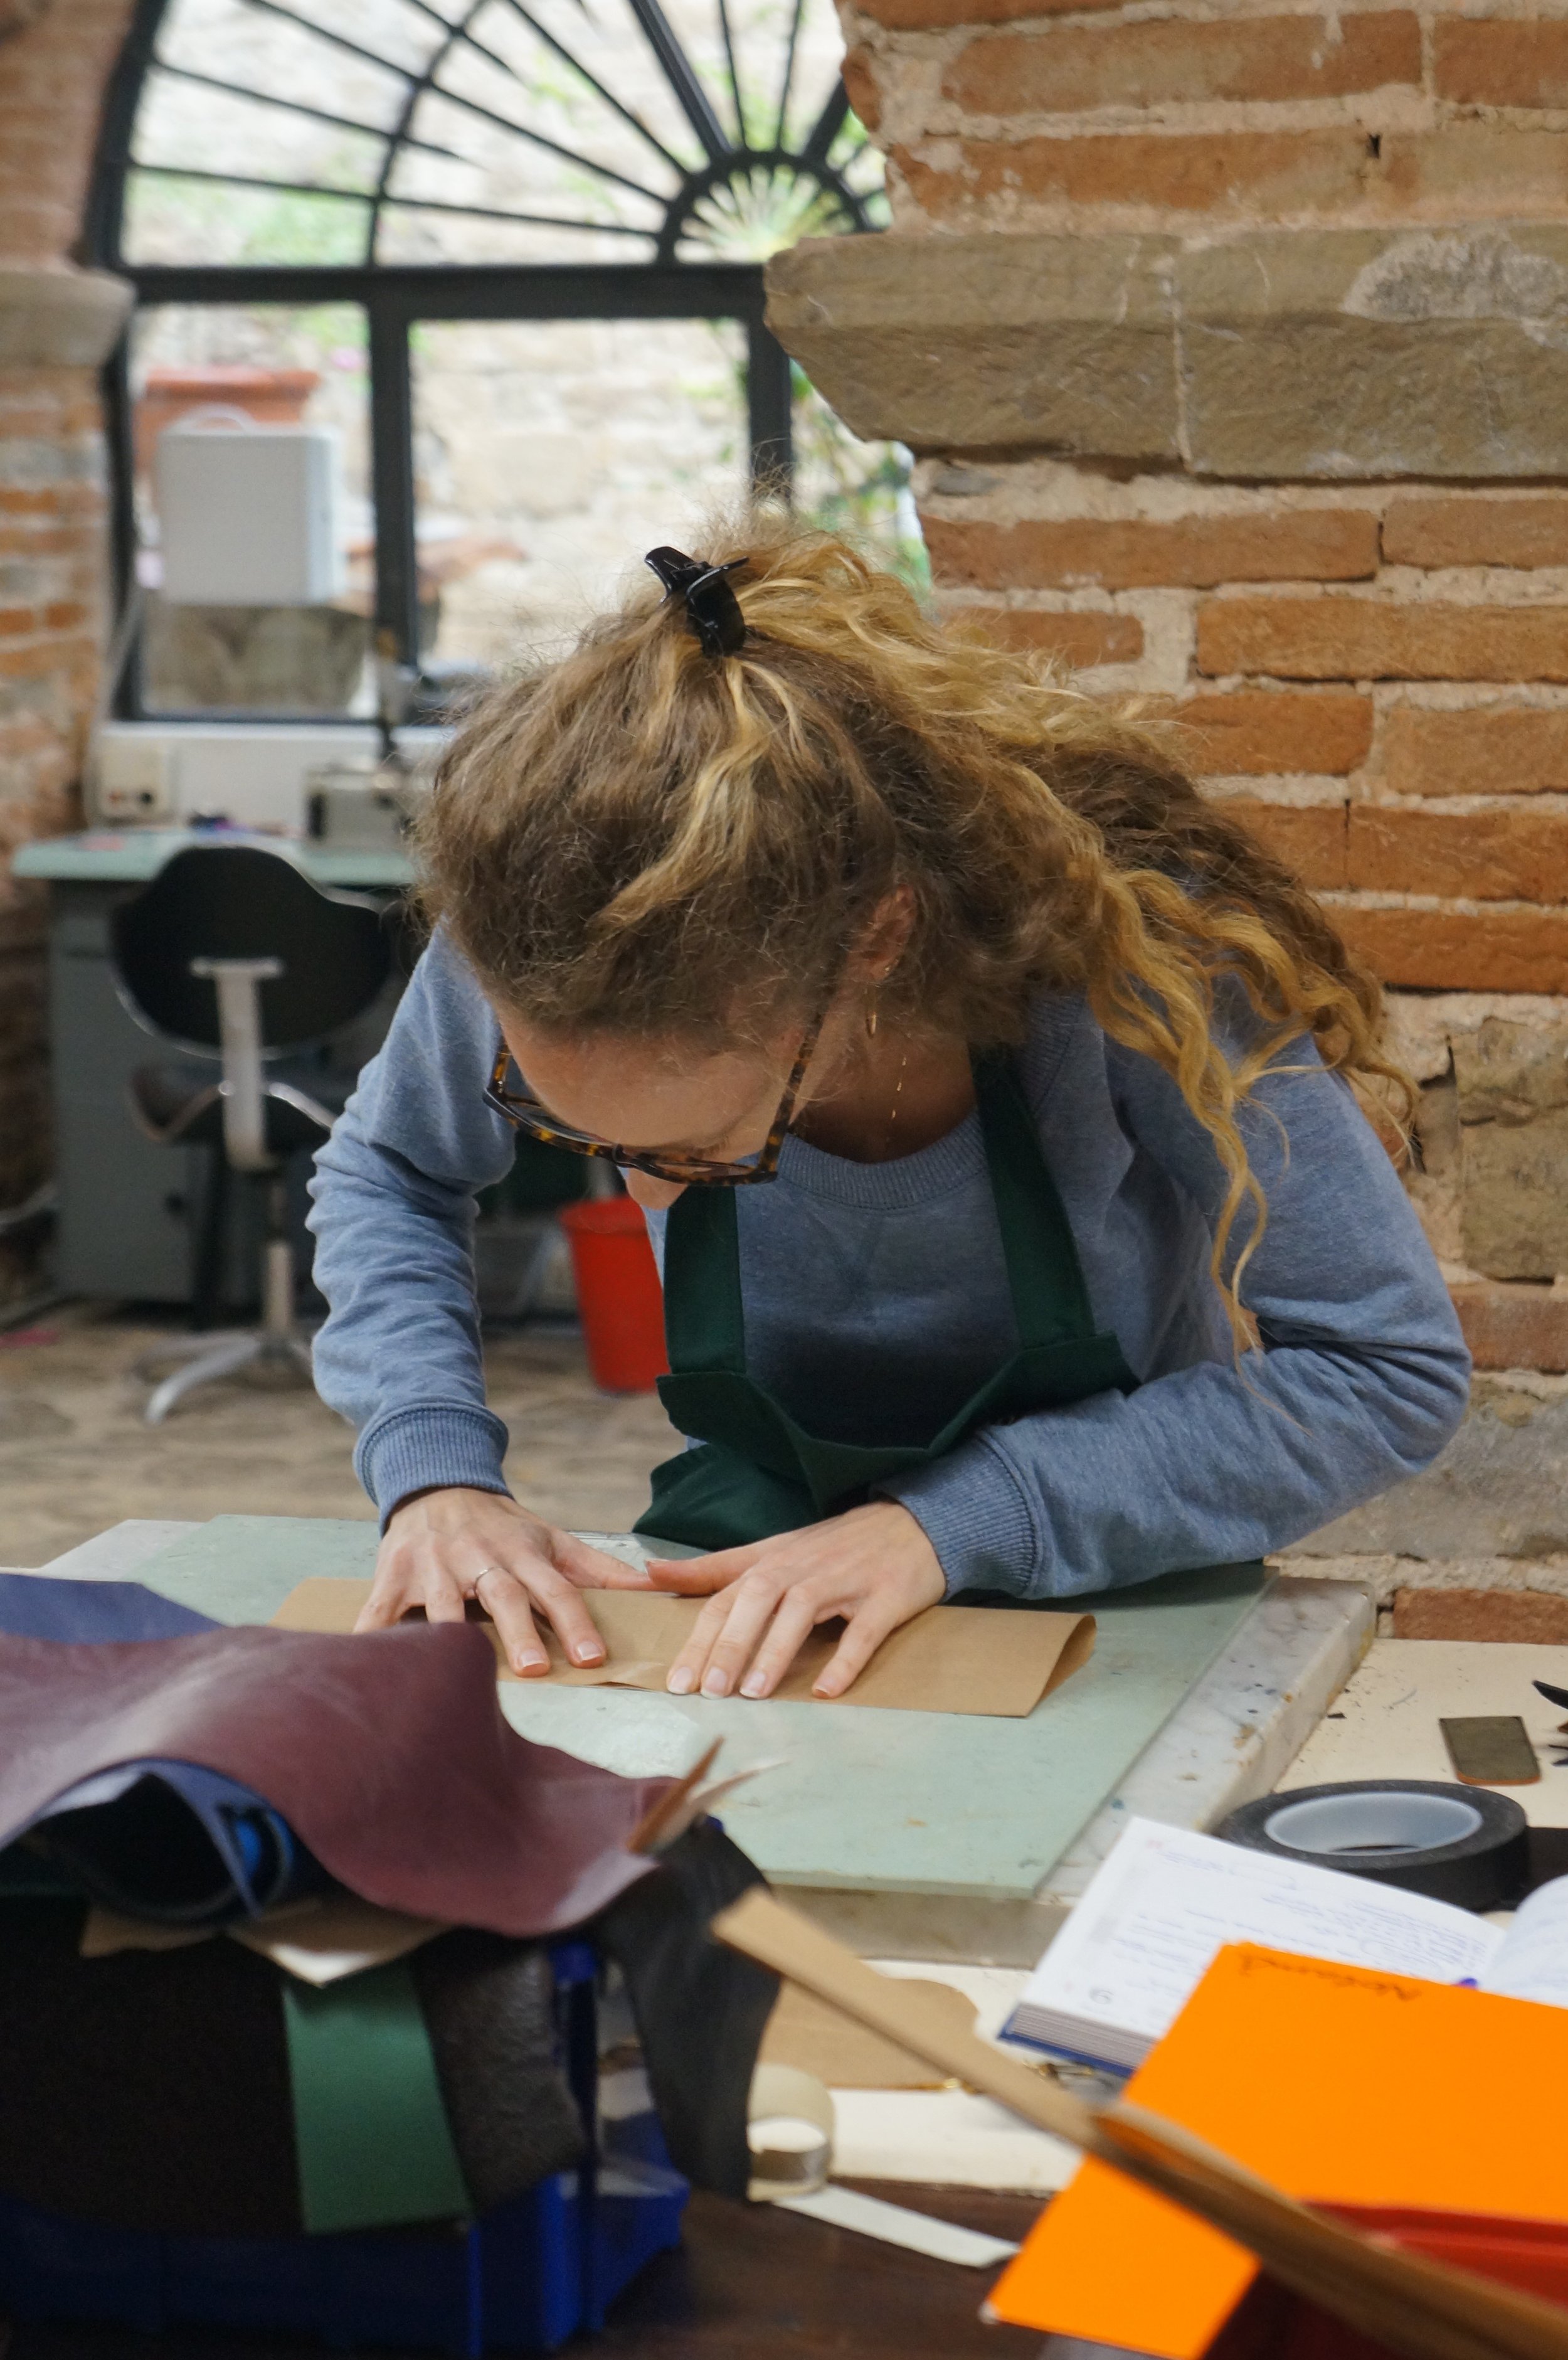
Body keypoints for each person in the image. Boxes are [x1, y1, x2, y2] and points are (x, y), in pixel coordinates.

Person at [307, 527, 1468, 1704]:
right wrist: (434, 1468)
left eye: (701, 1154)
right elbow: (389, 1169)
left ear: (874, 943)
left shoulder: (1127, 960)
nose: (643, 1196)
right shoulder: (541, 931)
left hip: (1113, 1565)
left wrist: (950, 1523)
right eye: (593, 1146)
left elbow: (1383, 1368)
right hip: (761, 1552)